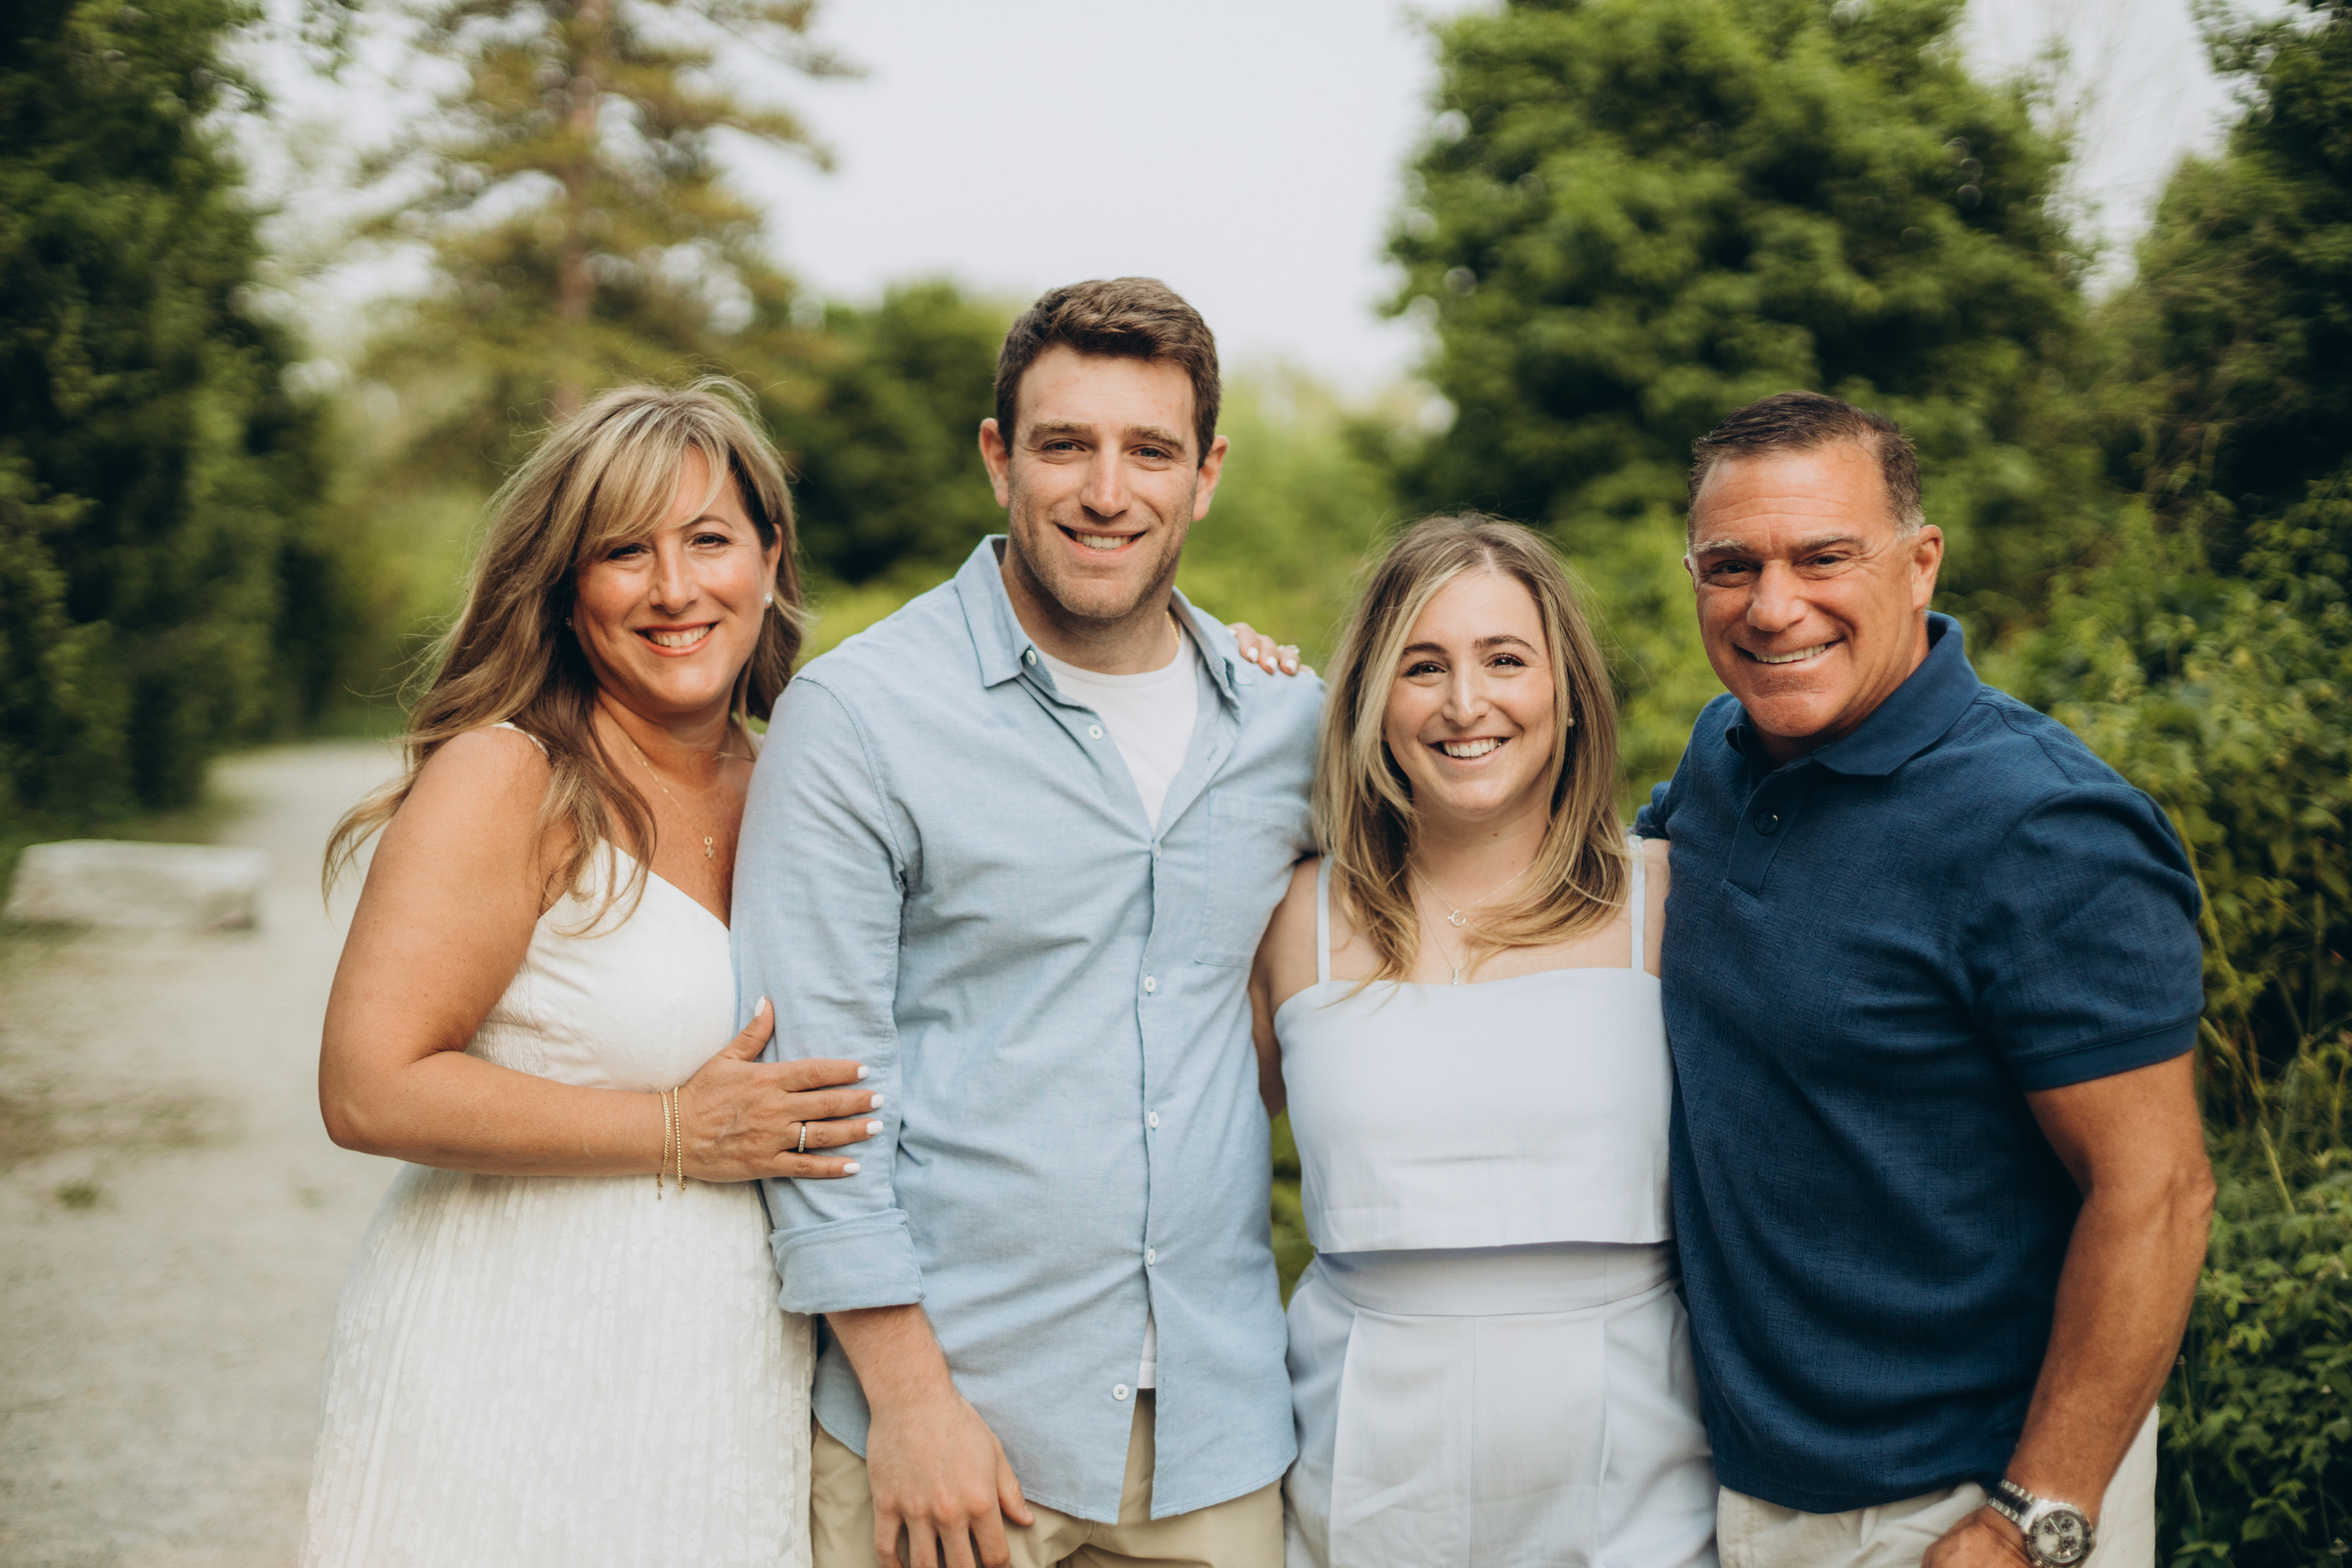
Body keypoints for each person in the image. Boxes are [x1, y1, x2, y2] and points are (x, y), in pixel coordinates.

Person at [735, 277, 1322, 1568]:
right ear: (1000, 456)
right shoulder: (862, 716)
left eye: (1149, 449)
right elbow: (814, 1092)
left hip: (1219, 1432)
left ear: (1205, 473)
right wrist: (910, 1400)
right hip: (961, 1430)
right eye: (1066, 443)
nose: (1107, 490)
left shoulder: (1288, 720)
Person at [302, 382, 880, 1568]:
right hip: (506, 1352)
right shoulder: (510, 775)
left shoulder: (801, 785)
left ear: (768, 560)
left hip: (727, 1371)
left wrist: (1225, 663)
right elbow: (366, 1086)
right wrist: (673, 1126)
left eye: (709, 540)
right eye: (625, 551)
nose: (674, 589)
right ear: (569, 589)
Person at [1636, 391, 2213, 1568]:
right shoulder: (1719, 757)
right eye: (1730, 565)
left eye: (1823, 557)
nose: (1772, 605)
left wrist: (2033, 1516)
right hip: (1740, 1483)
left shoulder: (2045, 826)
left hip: (1960, 1503)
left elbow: (2156, 1195)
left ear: (1919, 561)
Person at [1250, 515, 1717, 1568]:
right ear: (1372, 695)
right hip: (1363, 1448)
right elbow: (1175, 1162)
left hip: (1633, 1451)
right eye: (1423, 666)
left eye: (1504, 660)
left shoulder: (1668, 898)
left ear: (1565, 690)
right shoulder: (1293, 919)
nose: (1466, 704)